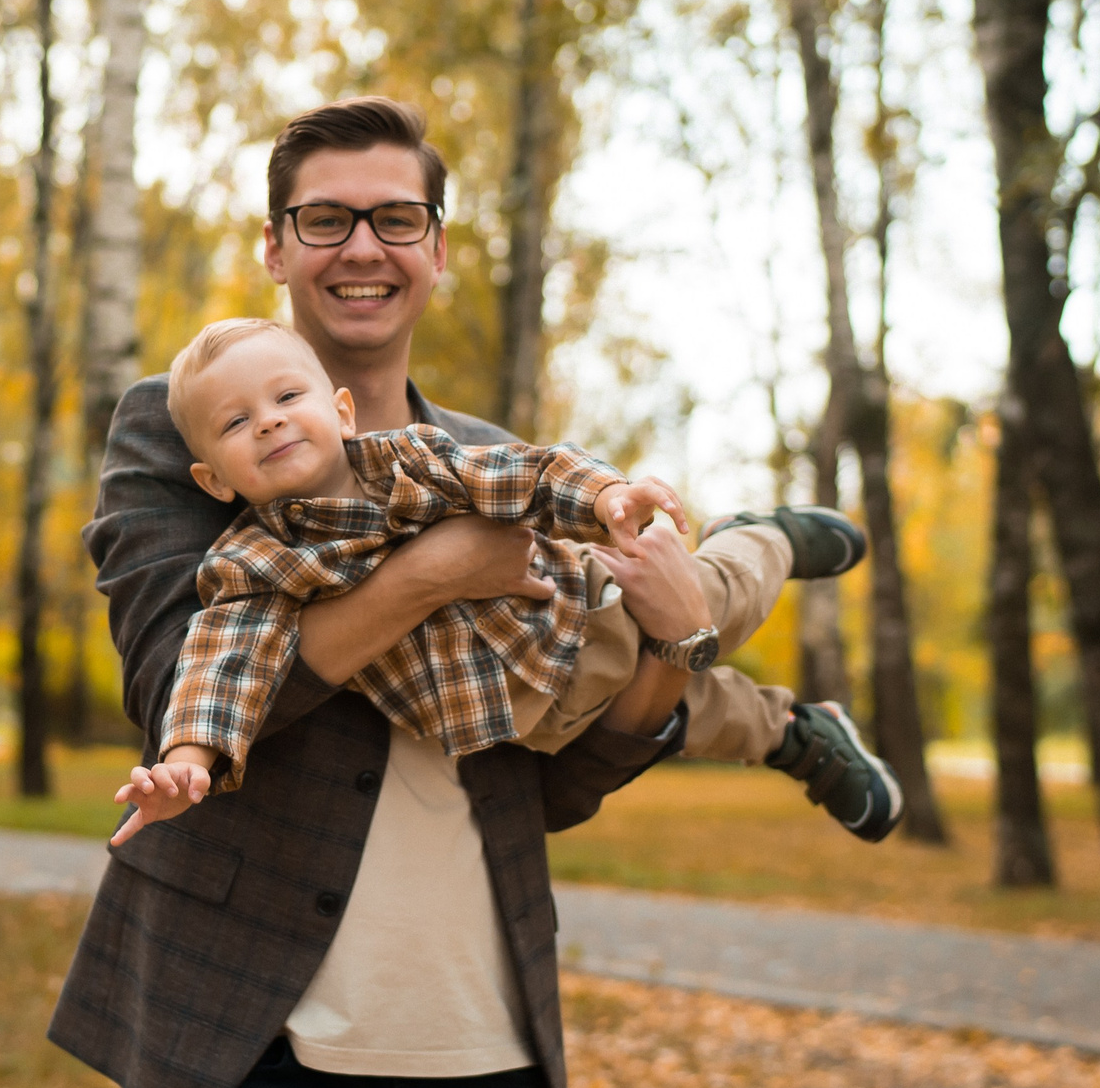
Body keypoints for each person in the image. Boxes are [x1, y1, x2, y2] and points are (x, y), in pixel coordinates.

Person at [50, 97, 889, 1088]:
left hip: (480, 1047)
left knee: (677, 607)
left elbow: (555, 779)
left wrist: (671, 645)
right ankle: (785, 703)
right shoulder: (194, 427)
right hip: (262, 1050)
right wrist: (436, 571)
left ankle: (771, 601)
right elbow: (174, 685)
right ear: (274, 245)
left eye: (396, 217)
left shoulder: (490, 461)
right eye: (325, 217)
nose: (361, 246)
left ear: (436, 249)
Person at [109, 315, 901, 845]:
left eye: (286, 398)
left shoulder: (411, 461)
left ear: (342, 411)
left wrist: (605, 495)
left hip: (589, 610)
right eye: (238, 422)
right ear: (214, 481)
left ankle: (765, 538)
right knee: (705, 718)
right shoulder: (251, 568)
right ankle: (797, 735)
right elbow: (221, 668)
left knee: (720, 598)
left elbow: (520, 477)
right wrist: (188, 760)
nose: (271, 421)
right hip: (531, 720)